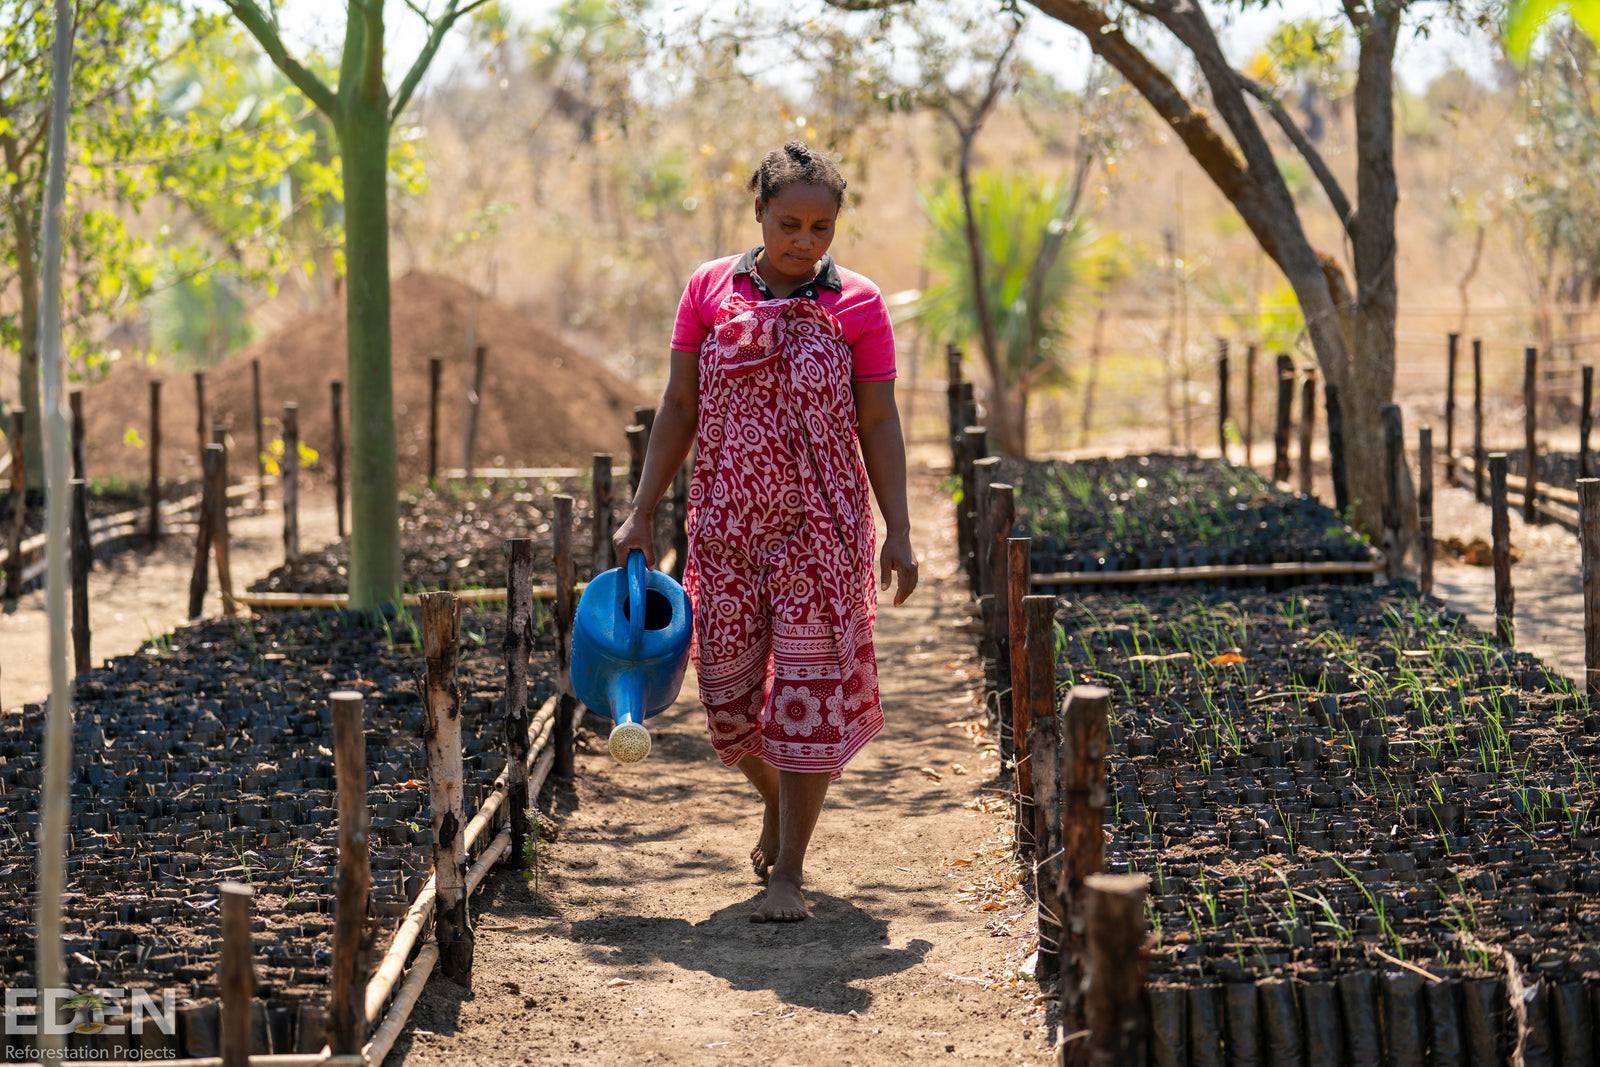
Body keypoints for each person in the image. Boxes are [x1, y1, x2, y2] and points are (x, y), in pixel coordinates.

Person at [613, 140, 918, 923]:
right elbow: (679, 406)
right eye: (789, 223)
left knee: (807, 700)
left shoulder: (858, 303)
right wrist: (642, 508)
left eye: (821, 227)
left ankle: (790, 870)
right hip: (724, 526)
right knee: (726, 700)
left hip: (823, 530)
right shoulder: (709, 289)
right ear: (758, 211)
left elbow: (878, 419)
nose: (804, 241)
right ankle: (780, 804)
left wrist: (901, 529)